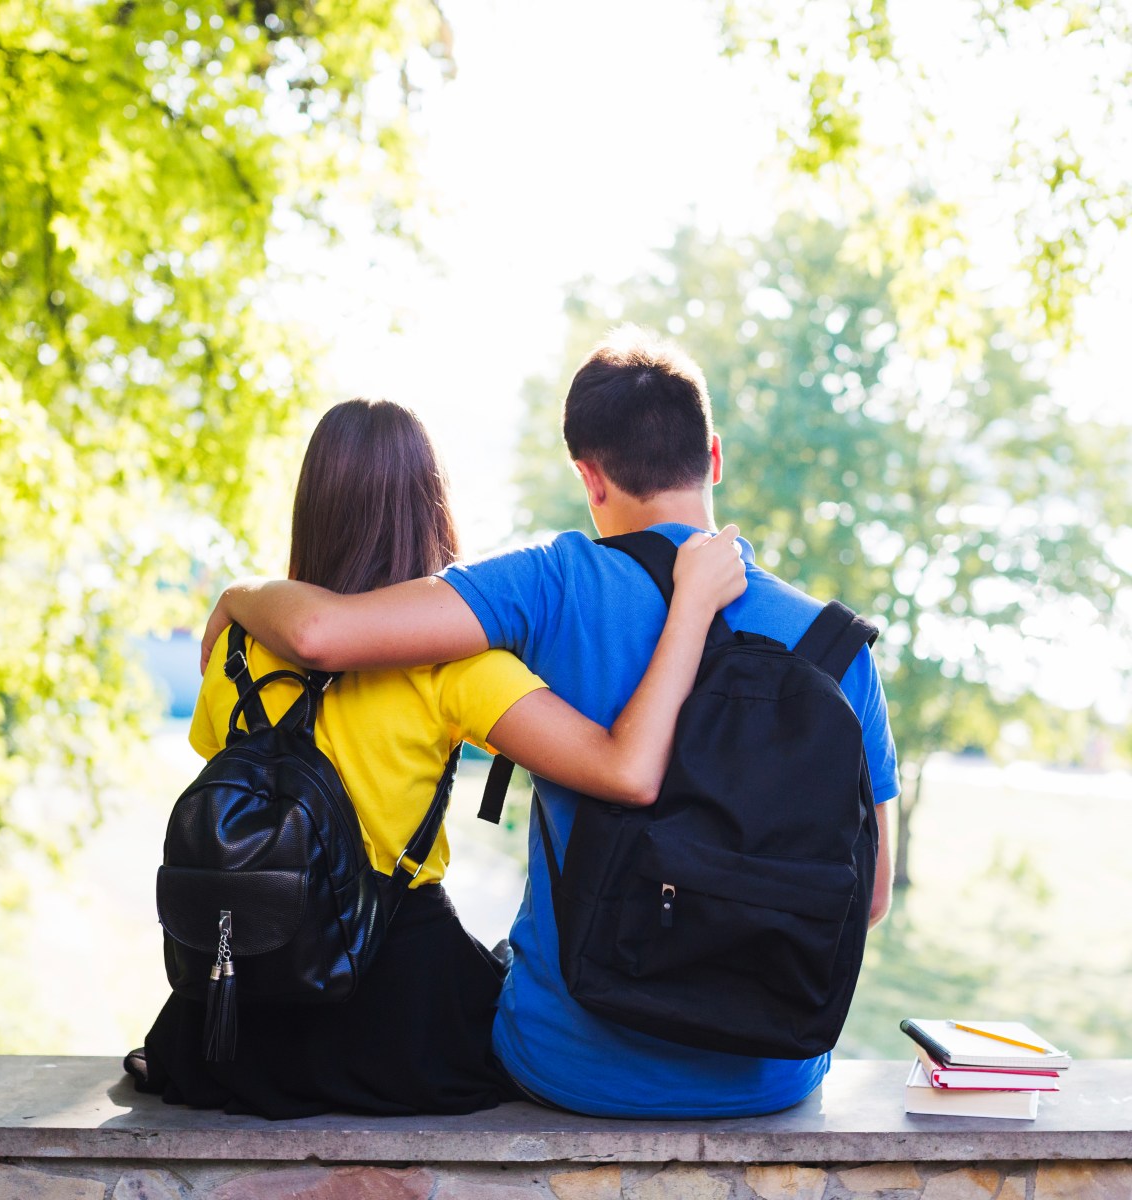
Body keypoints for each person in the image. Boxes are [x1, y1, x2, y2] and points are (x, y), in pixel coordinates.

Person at [201, 329, 901, 1119]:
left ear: (589, 476)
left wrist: (241, 596)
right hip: (775, 1076)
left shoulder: (550, 583)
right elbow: (869, 896)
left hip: (569, 1067)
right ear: (713, 456)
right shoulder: (840, 647)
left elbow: (327, 634)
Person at [131, 396, 746, 1119]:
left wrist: (239, 594)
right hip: (393, 1022)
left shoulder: (239, 644)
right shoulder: (454, 665)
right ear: (430, 508)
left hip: (230, 1018)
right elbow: (623, 769)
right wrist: (691, 608)